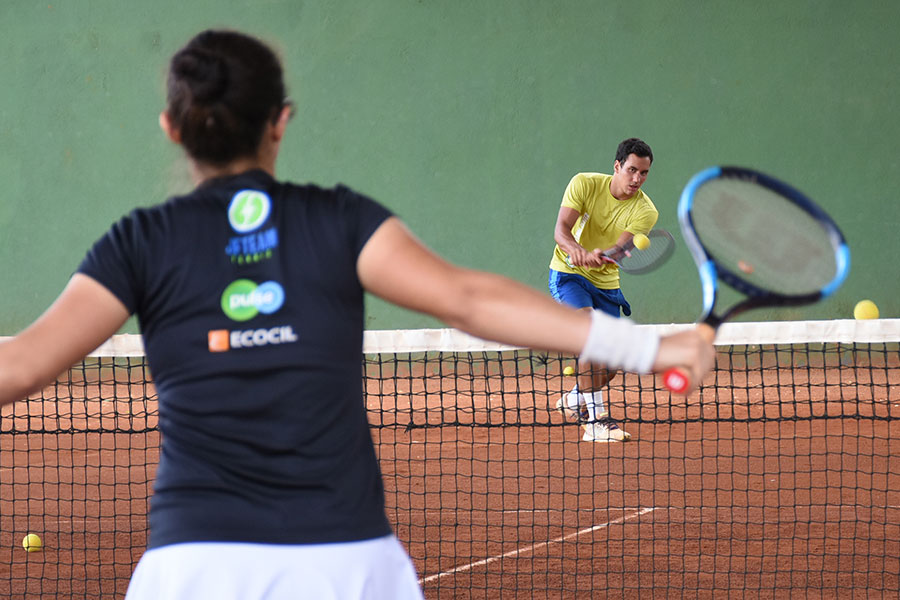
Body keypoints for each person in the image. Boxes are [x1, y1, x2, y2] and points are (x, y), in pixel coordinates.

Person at [0, 31, 714, 600]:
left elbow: (24, 362)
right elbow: (471, 300)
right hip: (345, 564)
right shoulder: (339, 221)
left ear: (170, 128)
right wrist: (650, 348)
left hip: (190, 567)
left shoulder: (138, 241)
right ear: (281, 121)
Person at [548, 138, 658, 443]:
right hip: (568, 275)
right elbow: (561, 230)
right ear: (617, 166)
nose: (637, 179)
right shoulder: (583, 184)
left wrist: (604, 254)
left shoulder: (646, 211)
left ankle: (573, 400)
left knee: (608, 366)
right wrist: (576, 250)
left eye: (644, 173)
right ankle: (595, 423)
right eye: (632, 170)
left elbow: (621, 248)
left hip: (607, 285)